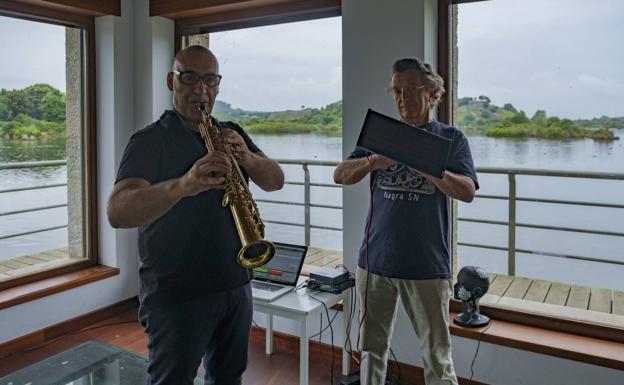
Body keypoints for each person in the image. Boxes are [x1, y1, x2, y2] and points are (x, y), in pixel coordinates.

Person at [107, 45, 284, 385]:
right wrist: (185, 184)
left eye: (210, 80)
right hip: (177, 293)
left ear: (218, 85)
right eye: (190, 78)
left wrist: (246, 157)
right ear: (172, 81)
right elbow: (118, 211)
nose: (200, 89)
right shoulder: (149, 140)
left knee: (229, 376)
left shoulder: (231, 131)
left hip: (235, 285)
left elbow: (275, 181)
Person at [334, 58, 479, 385]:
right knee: (371, 350)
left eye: (412, 89)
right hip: (374, 262)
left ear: (432, 92)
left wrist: (427, 166)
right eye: (398, 91)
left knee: (437, 356)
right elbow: (340, 174)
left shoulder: (451, 138)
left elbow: (467, 191)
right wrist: (374, 160)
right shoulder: (381, 136)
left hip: (427, 266)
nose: (404, 98)